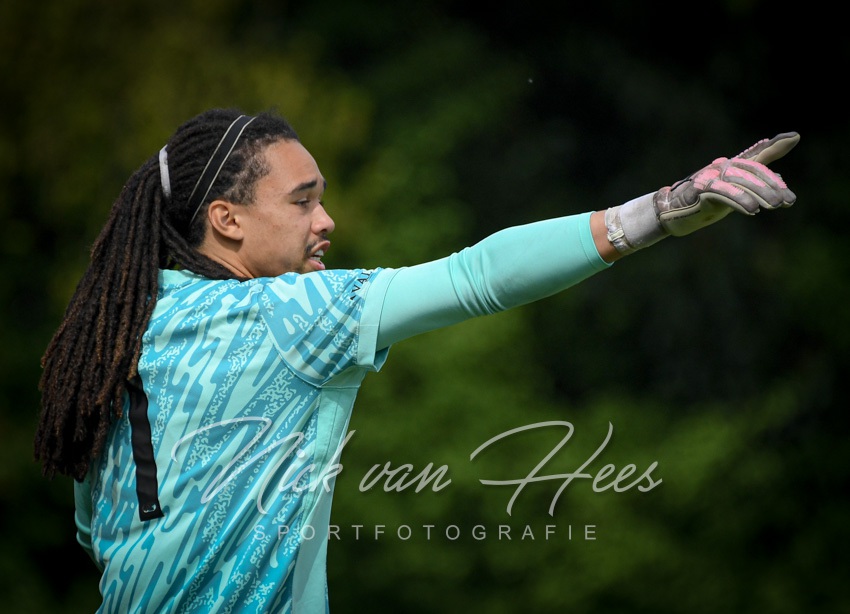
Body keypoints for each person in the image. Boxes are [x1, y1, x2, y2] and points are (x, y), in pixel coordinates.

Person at [34, 107, 799, 613]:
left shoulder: (112, 342)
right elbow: (477, 277)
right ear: (227, 220)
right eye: (302, 201)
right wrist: (655, 214)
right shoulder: (289, 315)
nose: (326, 220)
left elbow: (95, 533)